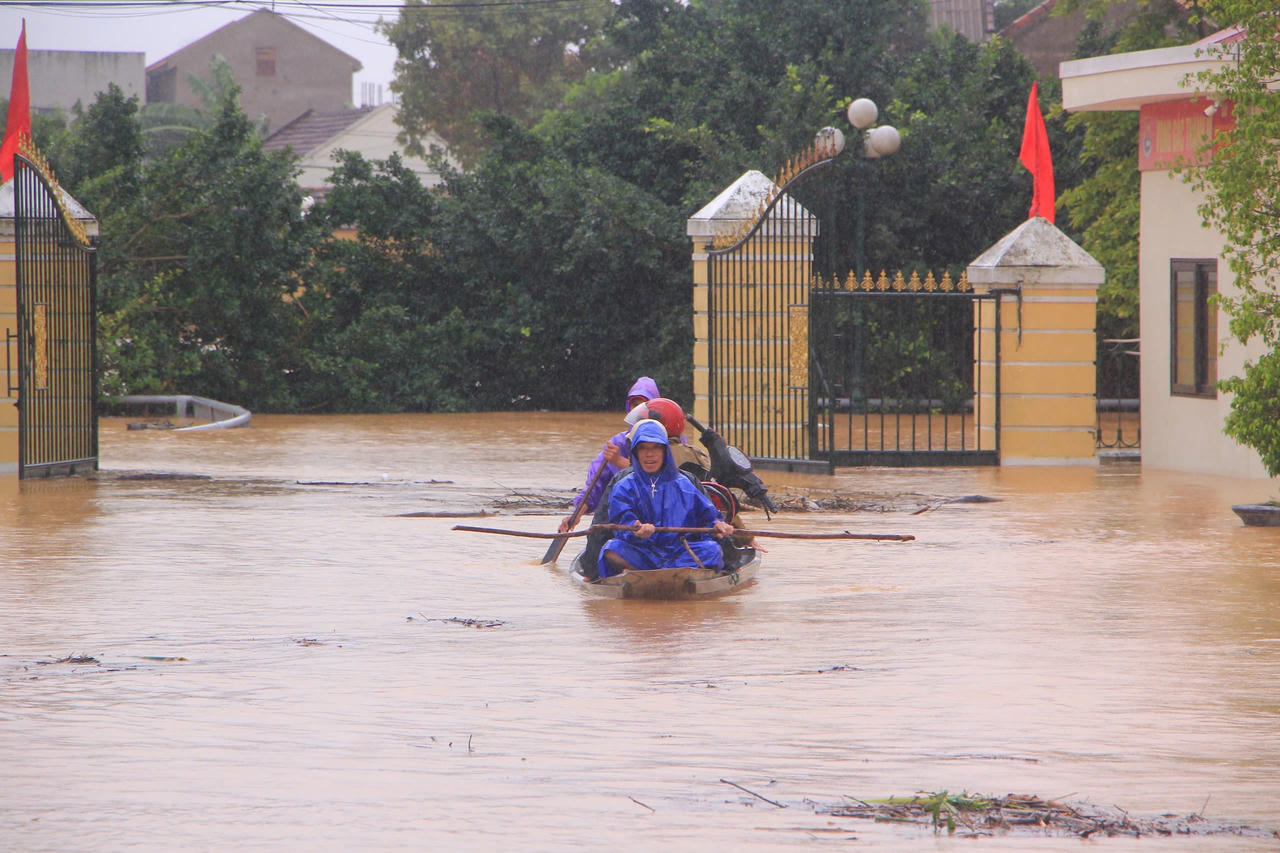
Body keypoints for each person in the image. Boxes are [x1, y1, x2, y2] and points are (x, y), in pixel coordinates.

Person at [597, 418, 735, 578]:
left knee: (712, 550)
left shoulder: (684, 484)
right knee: (611, 549)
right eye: (643, 448)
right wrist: (637, 530)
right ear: (635, 452)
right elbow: (622, 524)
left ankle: (650, 574)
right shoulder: (624, 487)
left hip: (681, 551)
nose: (649, 454)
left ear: (664, 451)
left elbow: (708, 516)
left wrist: (718, 525)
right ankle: (655, 572)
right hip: (644, 553)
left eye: (656, 447)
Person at [558, 376, 660, 534]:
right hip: (628, 517)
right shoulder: (619, 443)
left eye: (643, 405)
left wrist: (620, 462)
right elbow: (595, 485)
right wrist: (575, 516)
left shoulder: (669, 439)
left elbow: (665, 476)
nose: (638, 411)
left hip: (661, 515)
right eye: (634, 405)